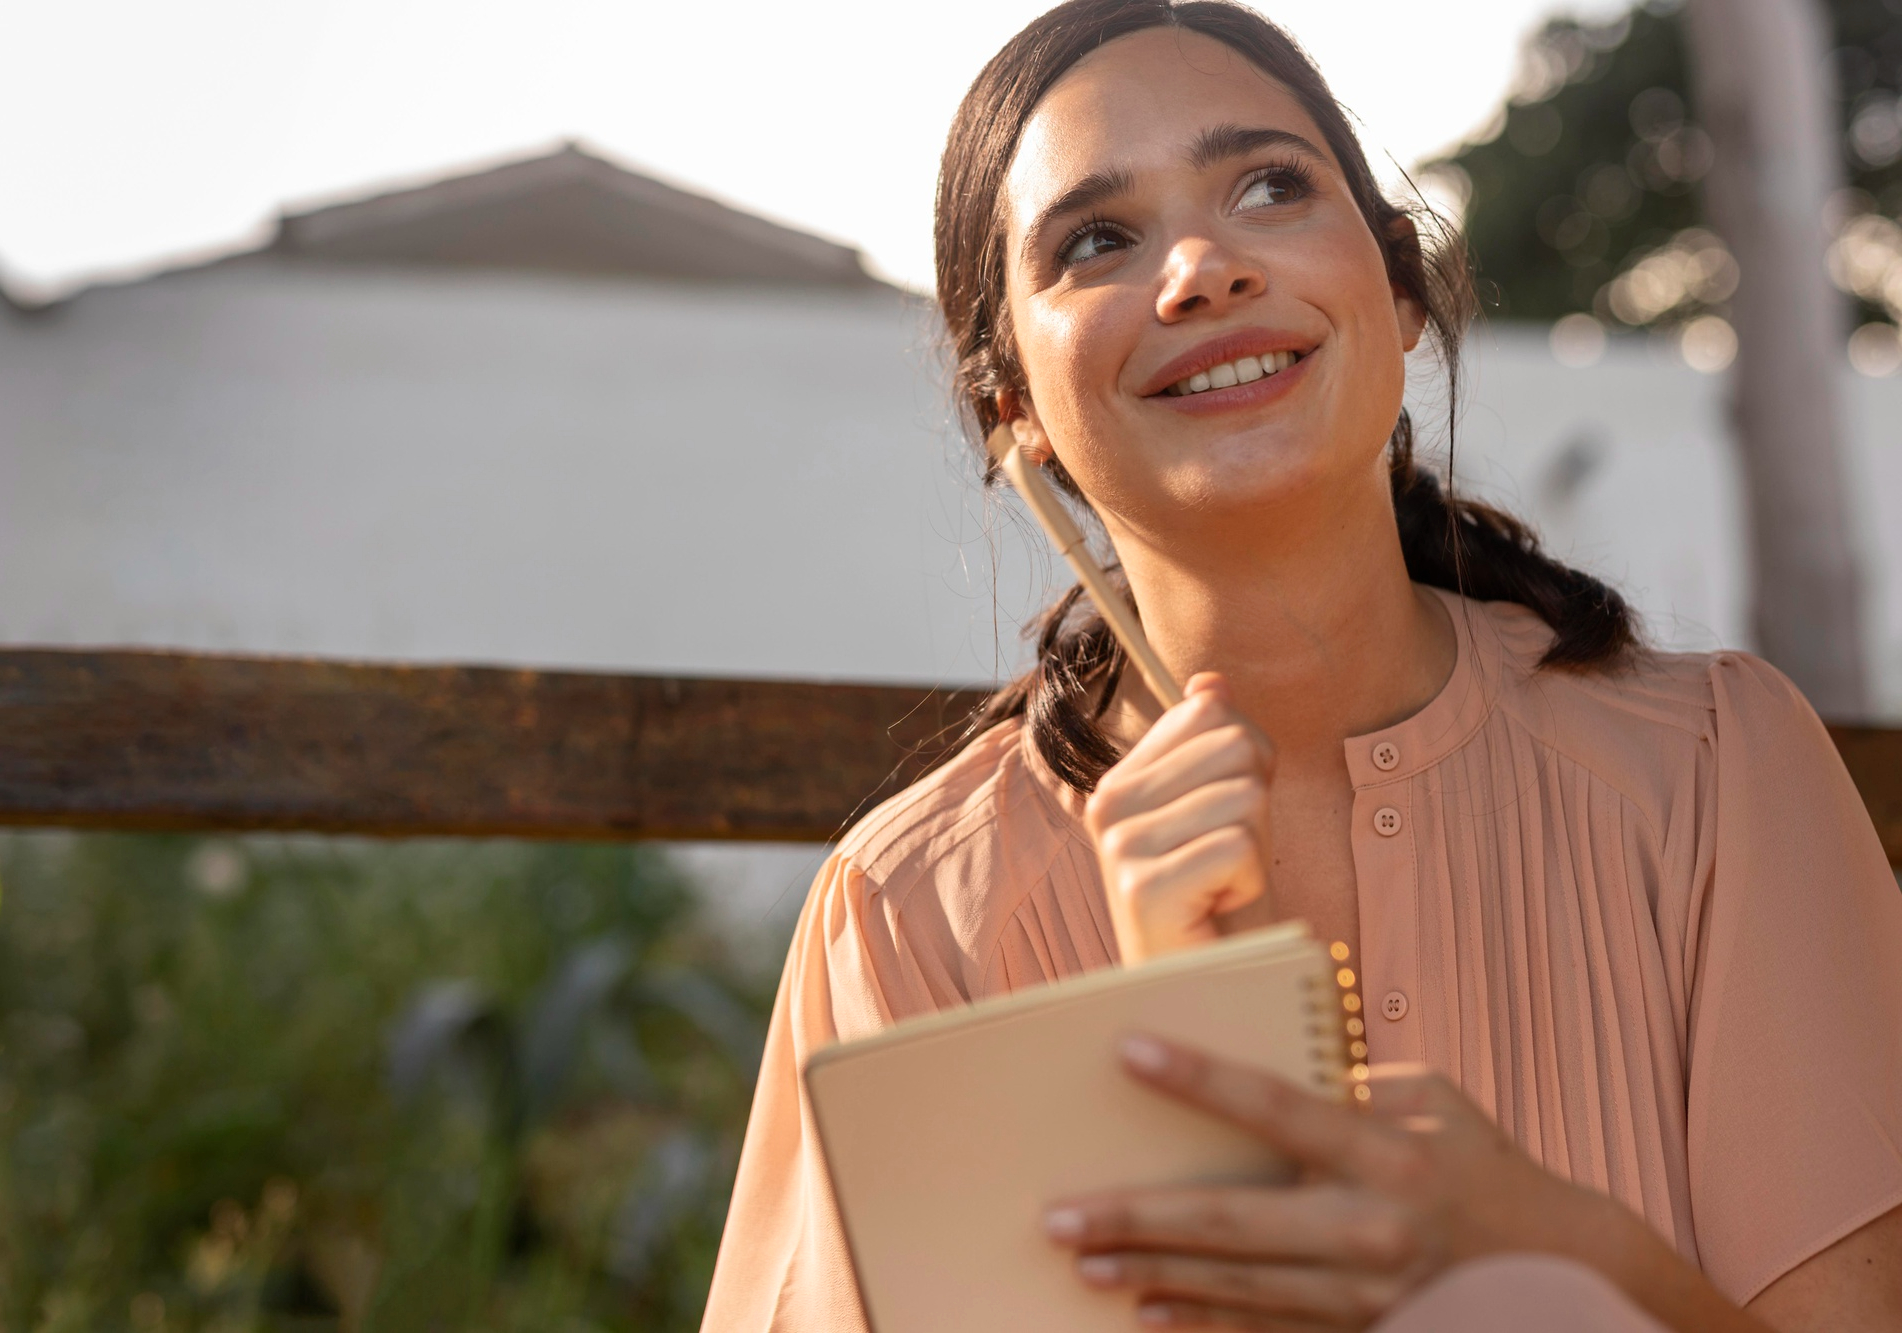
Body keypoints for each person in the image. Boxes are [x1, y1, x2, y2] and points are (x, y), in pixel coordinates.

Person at [700, 1, 1902, 1328]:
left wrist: (1552, 1248)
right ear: (1014, 415)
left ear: (1398, 291)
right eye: (1099, 238)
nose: (1202, 267)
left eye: (1269, 186)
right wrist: (1171, 1067)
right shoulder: (903, 915)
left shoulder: (1722, 771)